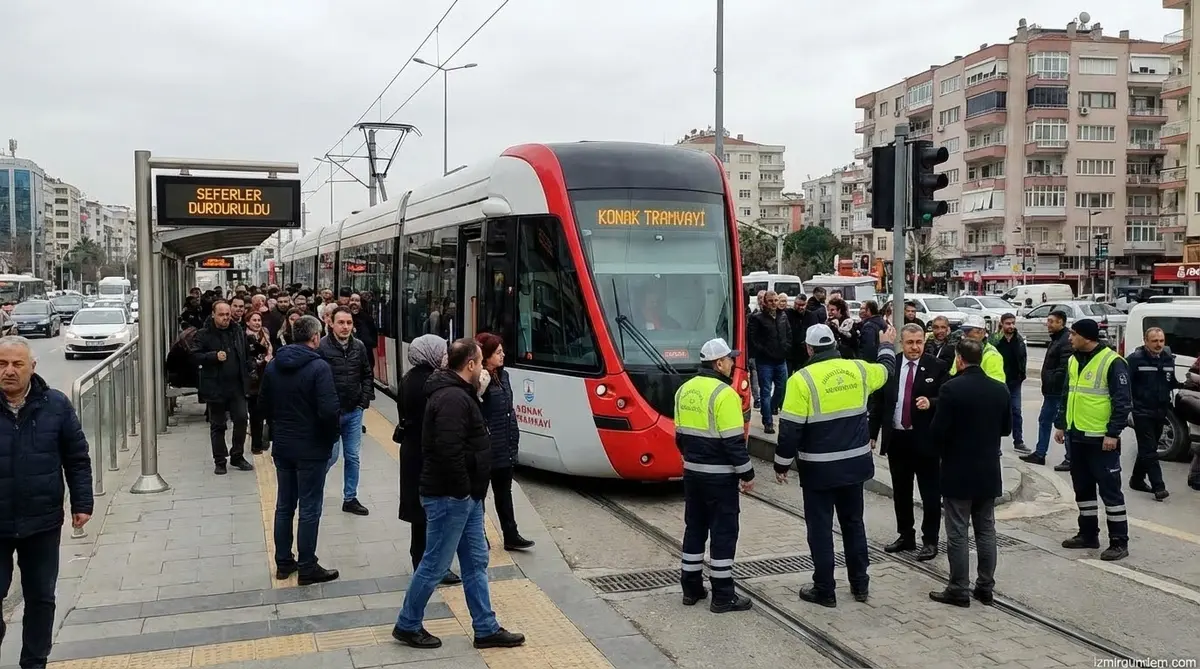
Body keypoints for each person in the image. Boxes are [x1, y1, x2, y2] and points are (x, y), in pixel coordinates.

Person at [392, 339, 525, 650]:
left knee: (476, 560)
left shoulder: (460, 393)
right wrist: (465, 491)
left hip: (465, 497)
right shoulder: (452, 398)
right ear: (470, 365)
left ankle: (486, 627)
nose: (483, 367)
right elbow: (449, 451)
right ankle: (407, 623)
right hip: (451, 496)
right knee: (436, 563)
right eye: (479, 361)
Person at [775, 323, 896, 607]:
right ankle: (860, 585)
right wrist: (887, 344)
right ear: (835, 346)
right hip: (854, 467)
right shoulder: (859, 370)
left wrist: (781, 464)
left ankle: (825, 590)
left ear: (808, 348)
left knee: (820, 530)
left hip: (818, 471)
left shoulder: (800, 380)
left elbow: (790, 430)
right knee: (853, 525)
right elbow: (888, 369)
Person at [0, 336, 92, 668]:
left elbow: (77, 457)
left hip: (41, 521)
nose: (9, 371)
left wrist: (82, 503)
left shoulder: (55, 404)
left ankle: (34, 661)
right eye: (1, 364)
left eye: (16, 364)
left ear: (32, 367)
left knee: (40, 598)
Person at [927, 338, 1011, 607]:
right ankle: (985, 587)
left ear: (959, 359)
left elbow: (937, 431)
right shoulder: (1000, 390)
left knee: (958, 531)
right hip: (988, 469)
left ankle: (958, 588)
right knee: (986, 530)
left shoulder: (951, 389)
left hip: (957, 469)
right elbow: (1006, 429)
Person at [261, 315, 341, 585]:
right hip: (311, 448)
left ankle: (283, 562)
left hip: (283, 446)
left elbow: (263, 405)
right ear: (315, 337)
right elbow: (329, 410)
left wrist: (277, 429)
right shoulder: (319, 367)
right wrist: (330, 438)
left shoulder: (274, 366)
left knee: (284, 505)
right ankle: (308, 565)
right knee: (309, 507)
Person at [676, 337, 754, 614]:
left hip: (693, 474)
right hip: (720, 478)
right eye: (730, 359)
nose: (733, 363)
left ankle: (691, 587)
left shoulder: (683, 390)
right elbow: (733, 442)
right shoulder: (725, 395)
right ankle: (722, 595)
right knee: (723, 532)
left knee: (694, 528)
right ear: (719, 363)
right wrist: (747, 473)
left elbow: (679, 437)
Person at [1053, 318, 1132, 562]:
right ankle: (1088, 534)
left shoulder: (1112, 362)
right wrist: (1061, 424)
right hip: (1077, 436)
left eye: (1073, 334)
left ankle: (1119, 541)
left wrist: (1113, 433)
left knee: (1110, 492)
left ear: (1086, 337)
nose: (1069, 338)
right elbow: (1068, 393)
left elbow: (1122, 402)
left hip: (1101, 439)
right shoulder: (1074, 359)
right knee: (1083, 489)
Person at [870, 323, 948, 561]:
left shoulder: (938, 366)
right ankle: (906, 535)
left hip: (925, 440)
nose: (915, 347)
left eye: (919, 342)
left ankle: (930, 540)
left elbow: (948, 398)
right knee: (901, 492)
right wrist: (872, 433)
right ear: (901, 343)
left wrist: (932, 403)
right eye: (910, 343)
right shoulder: (891, 366)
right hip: (898, 439)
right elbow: (879, 402)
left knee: (930, 494)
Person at [396, 335, 460, 585]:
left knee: (419, 513)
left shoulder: (409, 378)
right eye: (442, 350)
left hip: (412, 453)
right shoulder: (430, 383)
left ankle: (420, 560)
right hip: (426, 455)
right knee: (433, 512)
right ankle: (432, 567)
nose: (445, 355)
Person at [475, 332, 534, 551]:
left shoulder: (504, 376)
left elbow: (509, 409)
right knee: (479, 495)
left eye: (502, 351)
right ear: (487, 355)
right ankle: (478, 535)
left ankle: (511, 535)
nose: (503, 355)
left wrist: (513, 439)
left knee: (504, 492)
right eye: (498, 352)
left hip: (505, 445)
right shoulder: (479, 379)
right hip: (486, 446)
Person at [320, 307, 375, 516]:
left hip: (354, 411)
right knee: (330, 457)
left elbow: (367, 375)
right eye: (341, 322)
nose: (345, 327)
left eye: (349, 323)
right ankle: (314, 490)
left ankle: (350, 498)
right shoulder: (322, 347)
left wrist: (363, 400)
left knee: (352, 457)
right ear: (331, 324)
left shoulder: (359, 347)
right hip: (331, 413)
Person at [190, 301, 253, 475]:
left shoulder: (237, 331)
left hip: (236, 386)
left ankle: (237, 455)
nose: (226, 317)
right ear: (213, 314)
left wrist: (249, 367)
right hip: (215, 386)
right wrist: (213, 356)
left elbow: (245, 352)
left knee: (241, 419)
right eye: (221, 314)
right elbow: (195, 356)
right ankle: (220, 460)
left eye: (227, 314)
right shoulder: (203, 334)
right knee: (218, 425)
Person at [1126, 327, 1174, 501]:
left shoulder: (1168, 359)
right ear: (1146, 341)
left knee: (1149, 447)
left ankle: (1137, 480)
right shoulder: (1134, 360)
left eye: (1161, 341)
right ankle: (1158, 486)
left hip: (1161, 411)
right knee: (1149, 449)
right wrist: (1128, 409)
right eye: (1154, 341)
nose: (1158, 344)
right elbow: (1125, 385)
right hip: (1141, 411)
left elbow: (1170, 382)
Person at [1020, 309, 1072, 469]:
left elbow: (1064, 368)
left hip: (1057, 391)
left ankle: (1069, 458)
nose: (1047, 324)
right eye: (1048, 321)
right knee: (1046, 421)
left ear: (1061, 322)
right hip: (1051, 391)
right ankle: (1040, 453)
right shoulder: (1057, 338)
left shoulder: (1065, 341)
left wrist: (1053, 382)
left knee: (1062, 423)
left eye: (1051, 321)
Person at [747, 290, 791, 434]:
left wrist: (786, 348)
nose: (773, 303)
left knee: (782, 388)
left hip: (781, 359)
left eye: (776, 300)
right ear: (765, 302)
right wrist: (765, 351)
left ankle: (772, 407)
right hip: (765, 361)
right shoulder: (757, 318)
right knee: (765, 391)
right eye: (771, 301)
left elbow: (788, 334)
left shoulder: (783, 315)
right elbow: (753, 340)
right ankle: (768, 422)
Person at [990, 313, 1028, 453]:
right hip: (998, 382)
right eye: (1008, 323)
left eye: (1013, 323)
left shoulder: (1018, 339)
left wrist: (1022, 374)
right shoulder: (995, 339)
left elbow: (1023, 357)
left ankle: (1019, 441)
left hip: (1015, 381)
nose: (1011, 326)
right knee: (997, 413)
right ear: (1002, 324)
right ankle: (996, 445)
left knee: (1016, 412)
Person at [244, 311, 273, 455]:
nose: (257, 322)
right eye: (254, 320)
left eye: (259, 320)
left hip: (266, 377)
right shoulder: (245, 337)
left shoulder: (265, 335)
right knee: (255, 413)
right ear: (247, 322)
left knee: (263, 412)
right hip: (252, 380)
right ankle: (256, 444)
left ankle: (261, 439)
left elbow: (270, 352)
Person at [948, 315, 1005, 385]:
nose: (965, 334)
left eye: (969, 330)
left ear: (983, 333)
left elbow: (997, 385)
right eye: (964, 330)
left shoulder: (992, 355)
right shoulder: (961, 351)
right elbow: (952, 374)